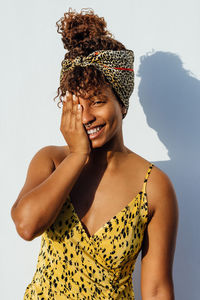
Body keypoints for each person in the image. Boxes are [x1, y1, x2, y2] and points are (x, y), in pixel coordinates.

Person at [11, 7, 179, 300]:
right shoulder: (51, 160)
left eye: (98, 101)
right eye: (78, 104)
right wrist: (77, 155)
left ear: (121, 104)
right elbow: (26, 226)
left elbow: (156, 289)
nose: (86, 116)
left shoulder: (154, 187)